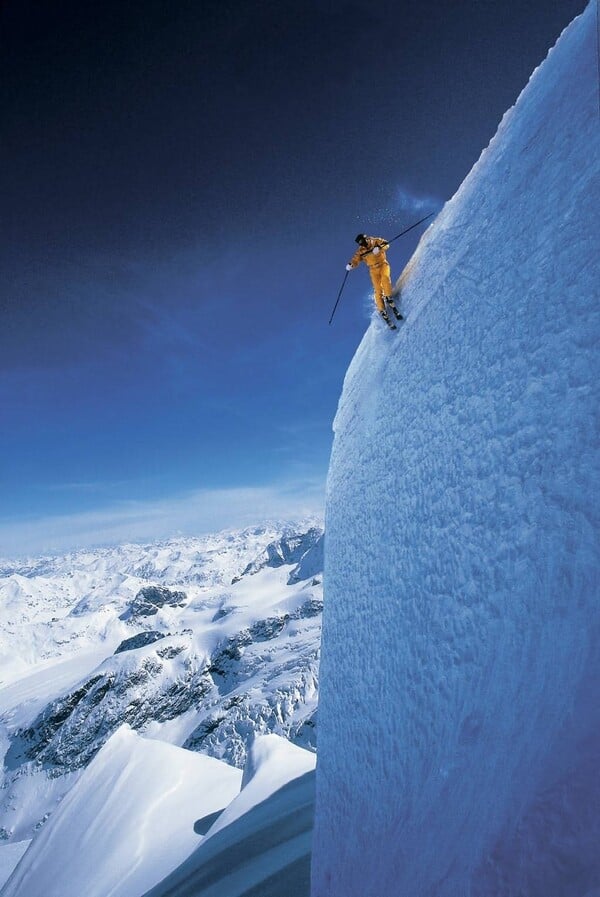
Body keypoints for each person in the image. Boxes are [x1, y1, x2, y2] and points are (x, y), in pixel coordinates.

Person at [346, 234, 402, 328]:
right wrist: (351, 265)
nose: (363, 245)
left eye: (364, 242)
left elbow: (386, 244)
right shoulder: (361, 250)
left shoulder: (375, 240)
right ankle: (382, 309)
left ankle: (388, 297)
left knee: (385, 278)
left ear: (366, 239)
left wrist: (379, 248)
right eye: (361, 244)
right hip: (373, 269)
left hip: (383, 264)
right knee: (377, 289)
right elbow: (356, 259)